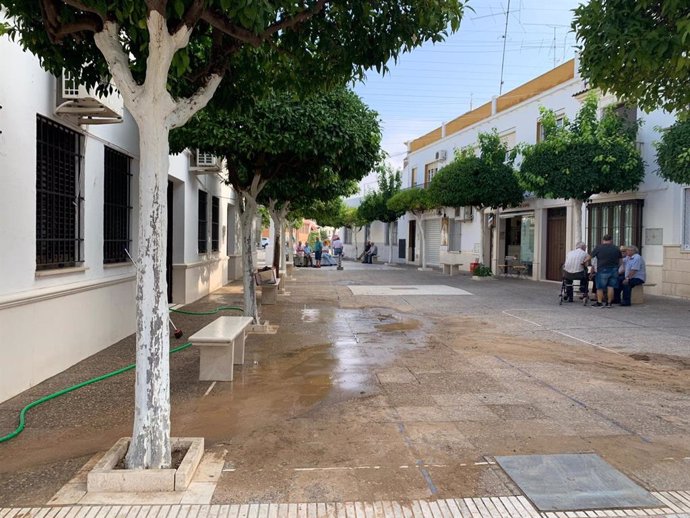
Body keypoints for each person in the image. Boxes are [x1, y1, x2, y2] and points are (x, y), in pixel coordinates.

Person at [585, 234, 623, 308]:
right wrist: (617, 267)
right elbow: (620, 261)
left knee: (600, 287)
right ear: (611, 240)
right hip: (614, 269)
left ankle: (599, 303)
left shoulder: (599, 247)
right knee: (611, 286)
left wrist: (584, 261)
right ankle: (609, 303)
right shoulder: (616, 248)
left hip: (602, 269)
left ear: (603, 240)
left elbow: (590, 256)